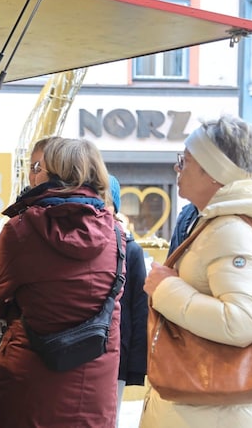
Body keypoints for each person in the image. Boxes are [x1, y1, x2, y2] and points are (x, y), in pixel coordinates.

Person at [140, 115, 252, 427]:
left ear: (213, 172)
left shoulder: (230, 231)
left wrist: (164, 287)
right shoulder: (220, 225)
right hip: (212, 409)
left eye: (185, 160)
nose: (177, 167)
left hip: (214, 412)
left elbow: (241, 322)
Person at [0, 137, 123, 428]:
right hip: (94, 383)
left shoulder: (21, 230)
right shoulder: (116, 234)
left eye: (39, 167)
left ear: (50, 174)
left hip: (30, 381)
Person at [108, 176, 148, 424]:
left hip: (117, 354)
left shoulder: (131, 249)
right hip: (84, 350)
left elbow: (139, 308)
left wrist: (136, 365)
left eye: (105, 201)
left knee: (110, 417)